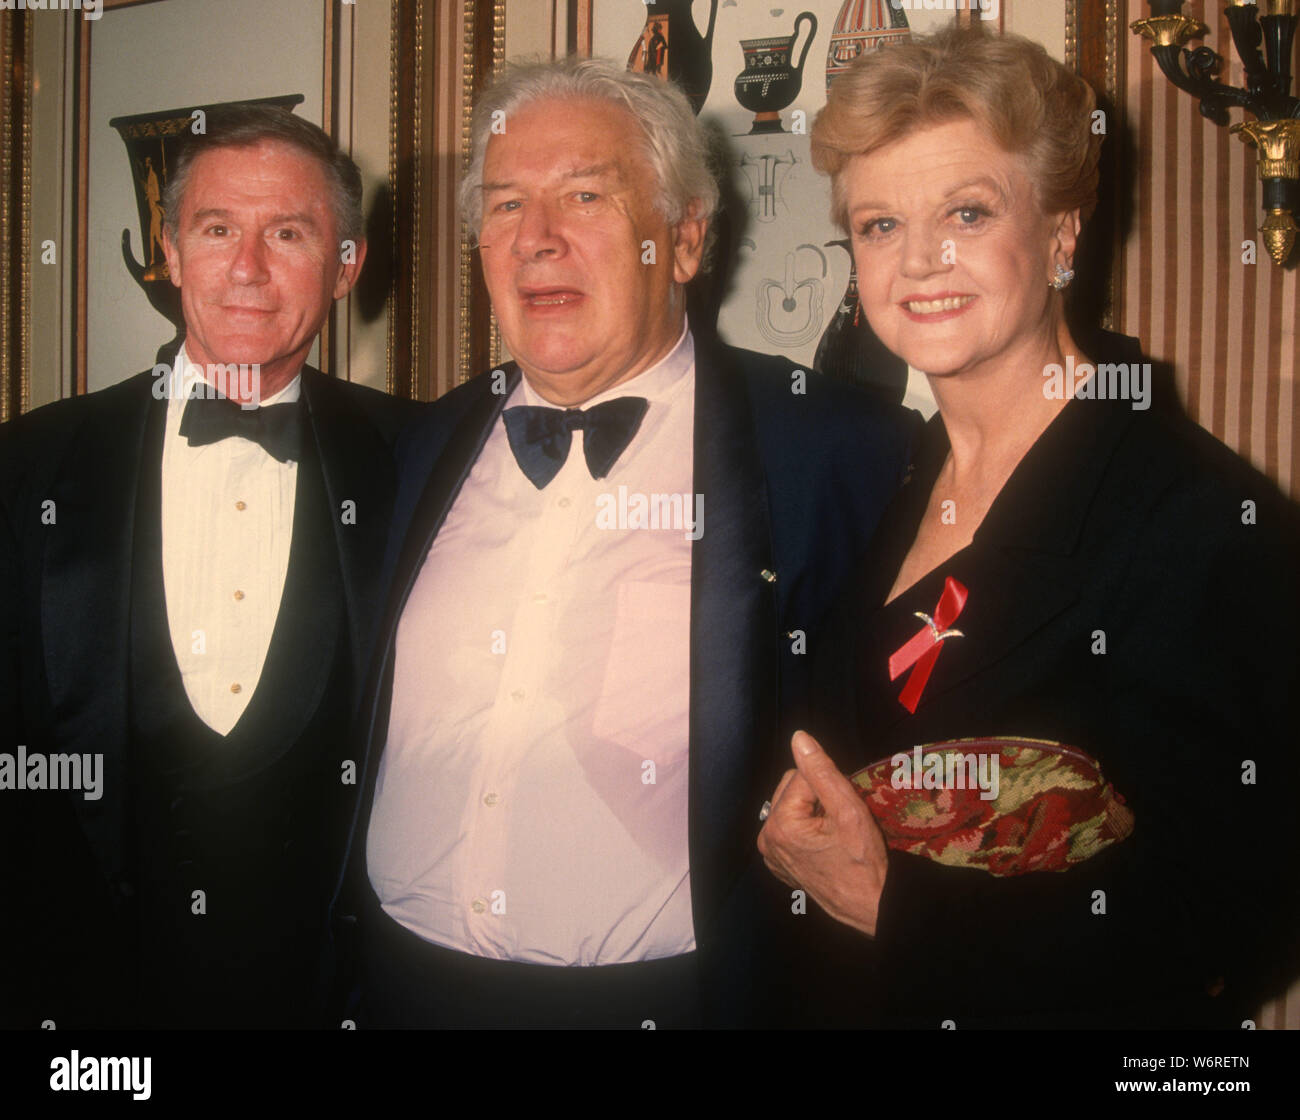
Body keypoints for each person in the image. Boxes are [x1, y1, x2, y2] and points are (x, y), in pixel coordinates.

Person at [335, 57, 920, 1028]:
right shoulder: (417, 444)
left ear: (684, 240)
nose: (538, 240)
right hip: (399, 989)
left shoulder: (834, 452)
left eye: (585, 196)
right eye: (507, 203)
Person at [757, 26, 1300, 1029]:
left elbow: (1235, 911)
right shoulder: (889, 471)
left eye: (966, 211)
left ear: (1059, 233)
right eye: (878, 225)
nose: (919, 259)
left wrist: (896, 909)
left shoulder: (1193, 516)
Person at [0, 105, 422, 1028]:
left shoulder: (417, 460)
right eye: (217, 229)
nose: (247, 269)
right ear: (170, 251)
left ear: (346, 266)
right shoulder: (25, 465)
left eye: (289, 233)